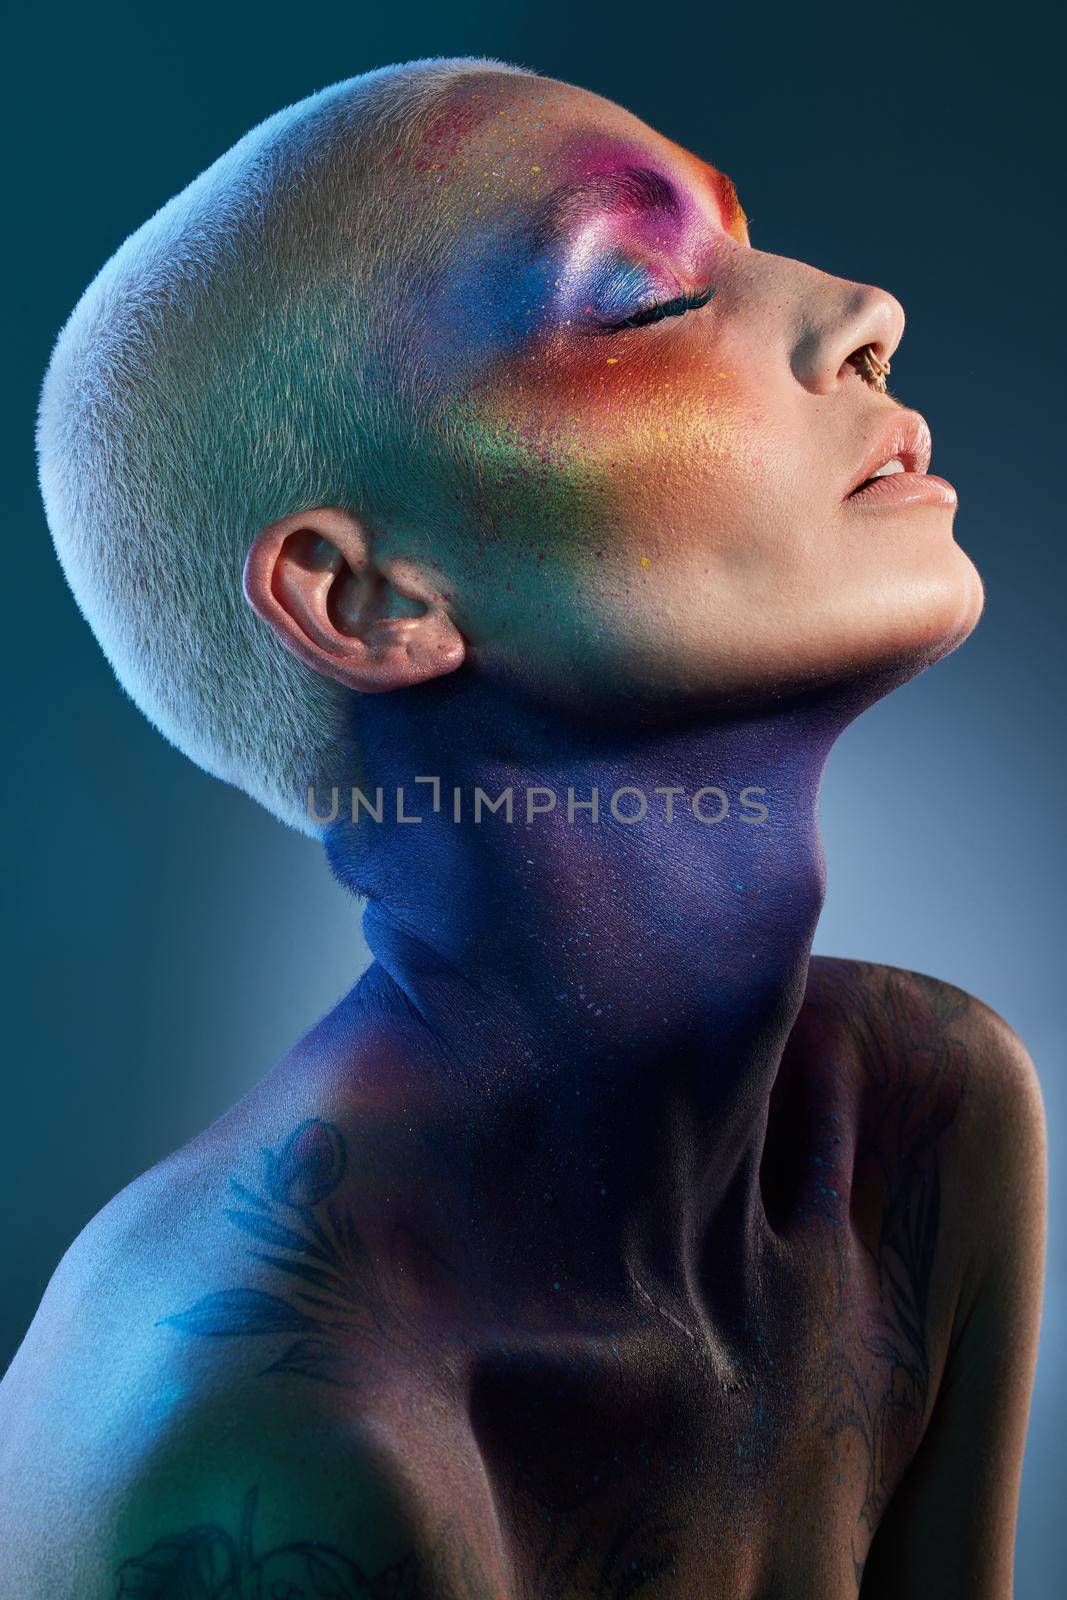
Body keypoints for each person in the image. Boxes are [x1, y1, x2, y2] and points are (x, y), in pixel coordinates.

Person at [1, 55, 1046, 1599]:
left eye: (749, 241)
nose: (862, 309)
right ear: (368, 599)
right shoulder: (268, 1447)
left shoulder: (915, 1129)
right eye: (643, 298)